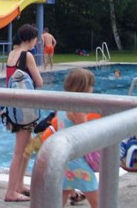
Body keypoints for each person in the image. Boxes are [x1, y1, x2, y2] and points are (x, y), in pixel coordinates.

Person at [4, 24, 43, 203]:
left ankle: (19, 185)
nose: (38, 41)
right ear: (30, 39)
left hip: (12, 108)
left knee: (27, 148)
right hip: (24, 110)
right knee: (20, 152)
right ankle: (10, 191)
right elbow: (39, 82)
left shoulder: (12, 54)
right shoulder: (27, 56)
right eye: (36, 38)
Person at [58, 69, 99, 208]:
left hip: (64, 156)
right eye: (91, 86)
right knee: (92, 187)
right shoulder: (78, 107)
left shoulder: (63, 104)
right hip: (76, 158)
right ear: (84, 88)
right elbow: (85, 131)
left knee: (63, 190)